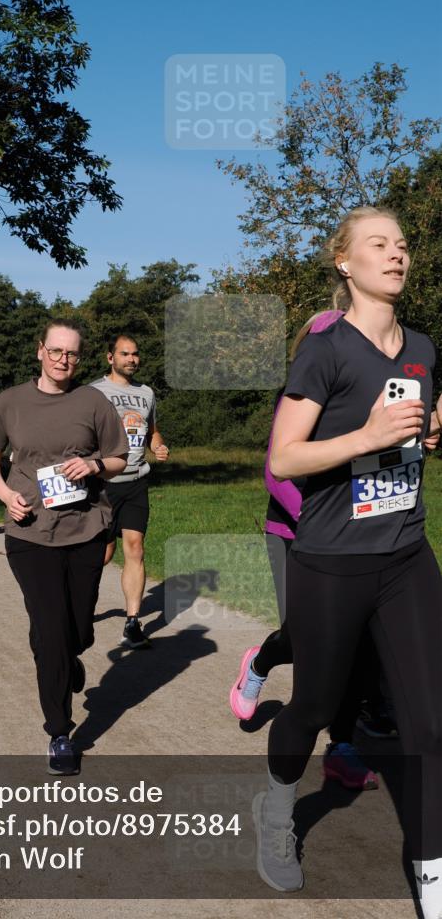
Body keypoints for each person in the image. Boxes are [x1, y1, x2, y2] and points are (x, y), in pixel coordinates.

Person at [251, 207, 442, 919]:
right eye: (378, 244)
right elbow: (284, 457)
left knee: (429, 725)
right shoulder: (326, 350)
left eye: (402, 243)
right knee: (314, 707)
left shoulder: (421, 345)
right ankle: (276, 809)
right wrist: (364, 435)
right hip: (331, 561)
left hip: (405, 553)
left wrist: (431, 428)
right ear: (345, 263)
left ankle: (431, 877)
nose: (396, 253)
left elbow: (419, 424)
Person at [230, 309, 382, 791]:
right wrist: (321, 521)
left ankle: (341, 746)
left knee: (355, 640)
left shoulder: (360, 398)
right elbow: (276, 475)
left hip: (352, 539)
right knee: (304, 639)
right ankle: (259, 662)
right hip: (294, 533)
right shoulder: (296, 396)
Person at [0, 319, 128, 775]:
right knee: (50, 628)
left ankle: (68, 650)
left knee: (78, 628)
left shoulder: (93, 402)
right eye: (57, 351)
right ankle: (60, 732)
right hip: (29, 534)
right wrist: (7, 497)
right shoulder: (11, 402)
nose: (64, 360)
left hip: (85, 530)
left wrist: (95, 464)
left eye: (73, 354)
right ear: (40, 350)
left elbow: (120, 459)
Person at [92, 335, 169, 648]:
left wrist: (158, 445)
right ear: (110, 357)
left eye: (135, 354)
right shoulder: (93, 392)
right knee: (104, 552)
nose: (132, 359)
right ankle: (79, 601)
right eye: (125, 354)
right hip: (102, 485)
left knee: (135, 547)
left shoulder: (146, 393)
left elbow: (151, 430)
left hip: (136, 481)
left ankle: (132, 623)